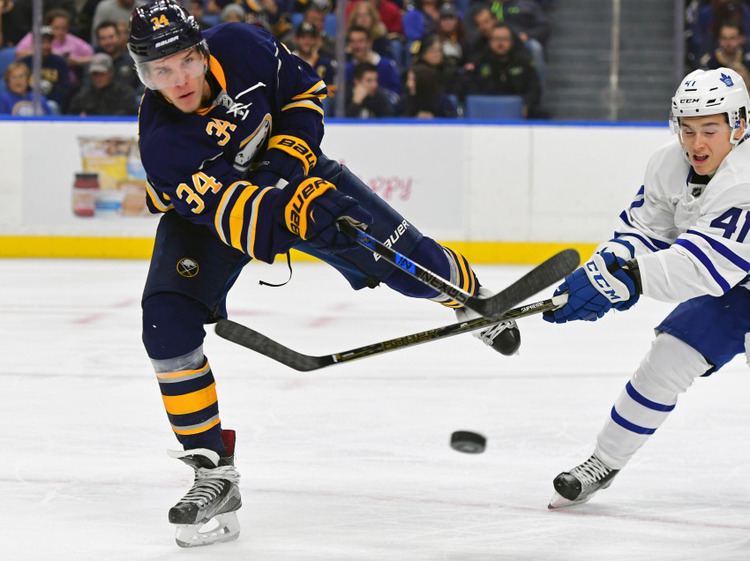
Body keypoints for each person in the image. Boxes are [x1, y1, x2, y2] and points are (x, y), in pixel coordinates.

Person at [127, 0, 520, 548]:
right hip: (212, 219)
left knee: (411, 264)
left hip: (302, 179)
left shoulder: (243, 45)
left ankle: (470, 298)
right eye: (158, 72)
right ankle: (212, 471)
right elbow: (244, 225)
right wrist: (290, 207)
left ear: (202, 50)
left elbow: (305, 92)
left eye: (183, 63)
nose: (177, 81)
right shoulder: (163, 140)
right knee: (165, 322)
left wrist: (289, 171)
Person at [543, 67, 750, 509]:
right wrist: (602, 271)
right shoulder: (667, 164)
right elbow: (645, 233)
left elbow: (700, 266)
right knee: (665, 360)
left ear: (740, 125)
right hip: (738, 288)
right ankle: (604, 461)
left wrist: (625, 281)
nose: (697, 144)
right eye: (687, 129)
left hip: (724, 272)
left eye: (710, 130)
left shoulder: (746, 178)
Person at [67, 52, 137, 115]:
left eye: (102, 74)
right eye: (95, 74)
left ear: (111, 73)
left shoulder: (125, 93)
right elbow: (72, 114)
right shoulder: (83, 94)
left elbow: (129, 113)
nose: (98, 78)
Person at [701, 22, 750, 87]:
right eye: (724, 38)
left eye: (732, 38)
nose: (728, 43)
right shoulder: (709, 62)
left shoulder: (748, 60)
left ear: (740, 39)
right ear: (719, 40)